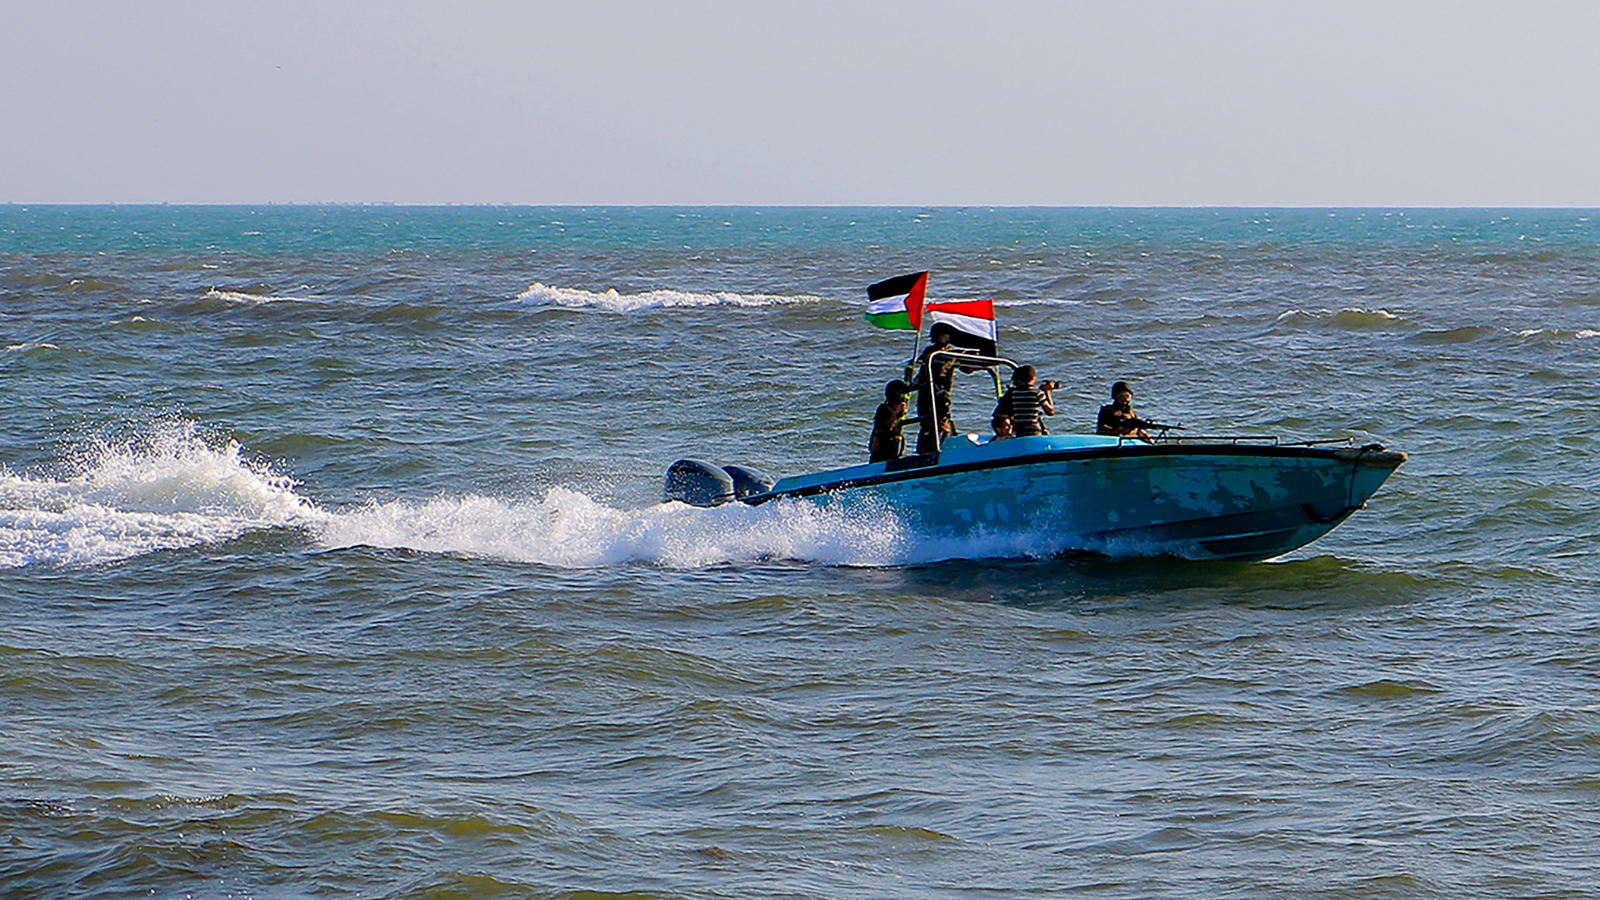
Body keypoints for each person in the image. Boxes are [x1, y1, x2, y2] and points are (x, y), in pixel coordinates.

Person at [913, 324, 961, 453]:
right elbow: (923, 366)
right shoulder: (930, 353)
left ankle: (948, 447)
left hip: (942, 393)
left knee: (945, 422)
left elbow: (967, 368)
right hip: (928, 393)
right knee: (929, 424)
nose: (946, 339)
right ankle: (926, 451)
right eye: (944, 336)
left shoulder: (950, 353)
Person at [992, 365, 1056, 437]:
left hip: (1020, 430)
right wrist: (1047, 392)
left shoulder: (1014, 394)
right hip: (1034, 429)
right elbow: (1050, 411)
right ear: (1032, 378)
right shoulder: (1037, 393)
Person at [868, 380, 910, 463]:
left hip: (894, 448)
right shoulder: (883, 409)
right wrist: (895, 415)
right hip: (881, 451)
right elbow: (884, 429)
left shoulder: (897, 409)